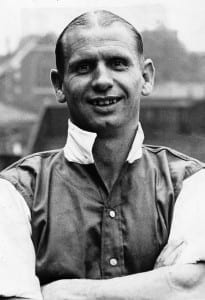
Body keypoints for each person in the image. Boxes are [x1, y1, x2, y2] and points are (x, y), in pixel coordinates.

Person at [0, 9, 205, 300]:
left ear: (145, 77)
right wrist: (165, 283)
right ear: (59, 85)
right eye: (84, 67)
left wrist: (64, 292)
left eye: (118, 63)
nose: (102, 80)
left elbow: (197, 288)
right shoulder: (14, 192)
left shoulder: (193, 184)